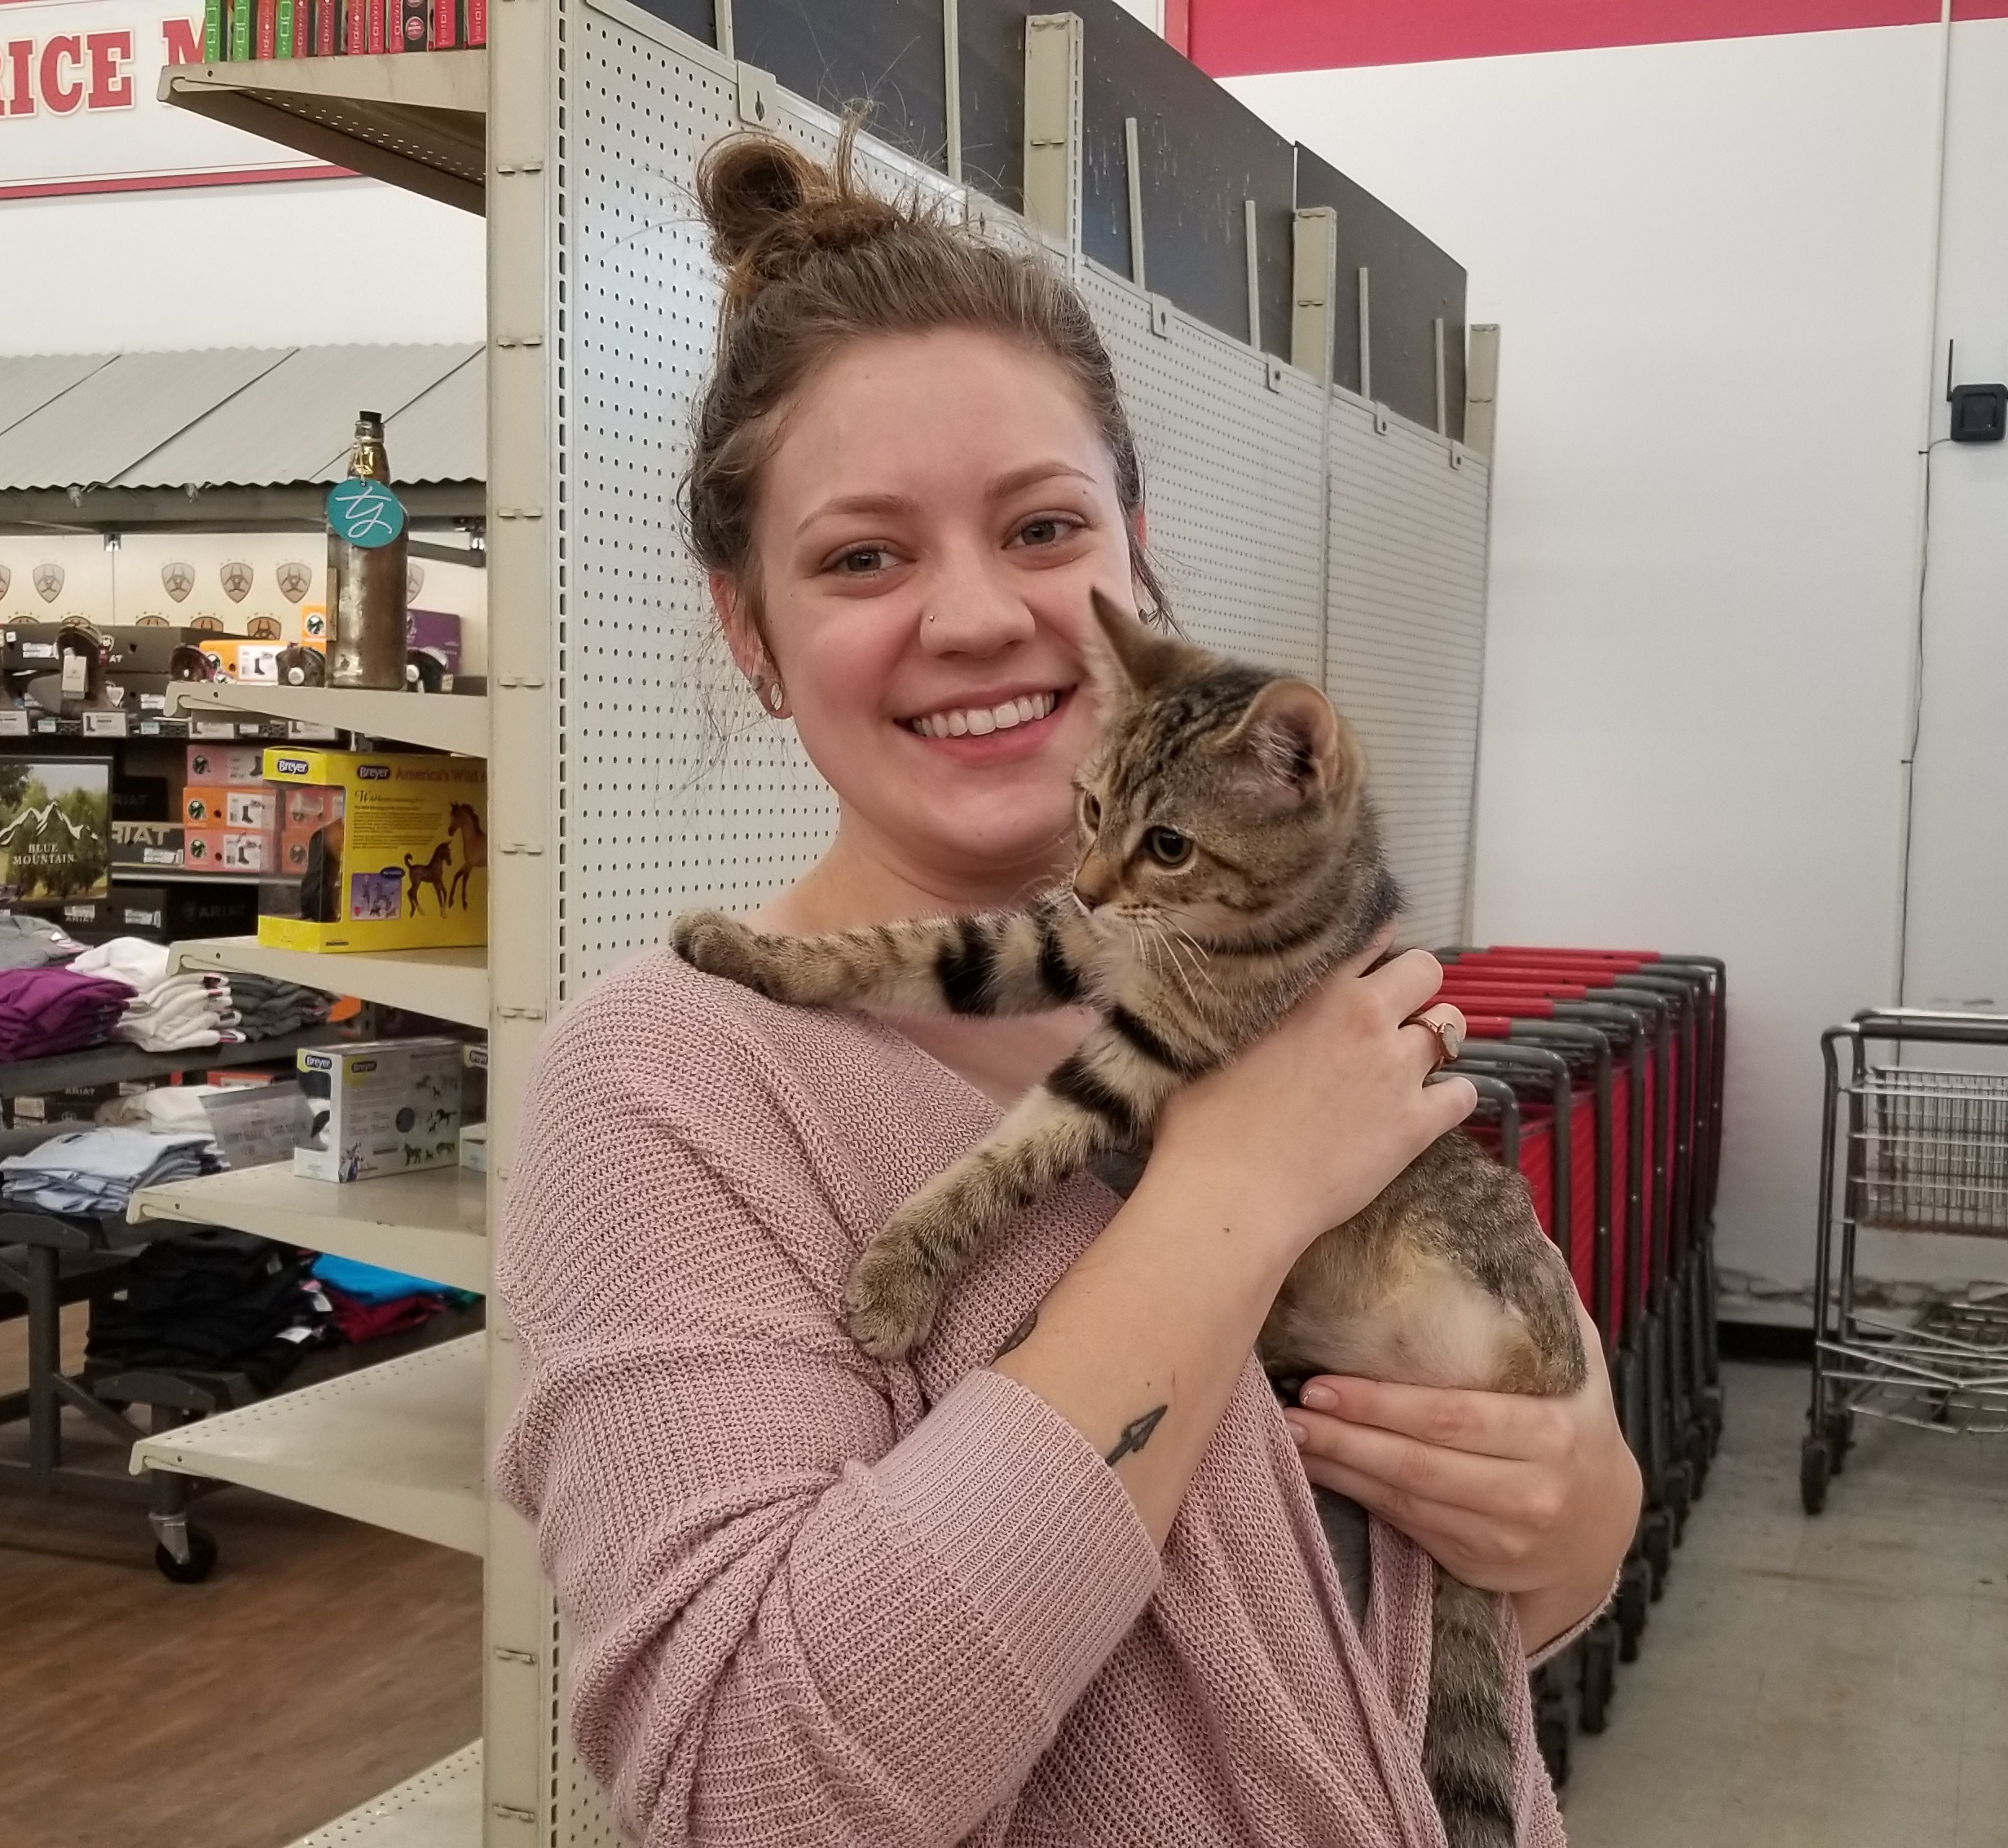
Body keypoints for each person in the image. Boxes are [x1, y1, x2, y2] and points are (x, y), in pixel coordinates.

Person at [494, 134, 1638, 1847]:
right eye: (862, 558)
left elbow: (1366, 1637)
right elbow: (753, 1792)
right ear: (748, 631)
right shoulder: (667, 1088)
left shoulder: (1285, 996)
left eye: (1042, 527)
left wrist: (1579, 1520)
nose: (975, 617)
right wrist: (1229, 1199)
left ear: (1135, 566)